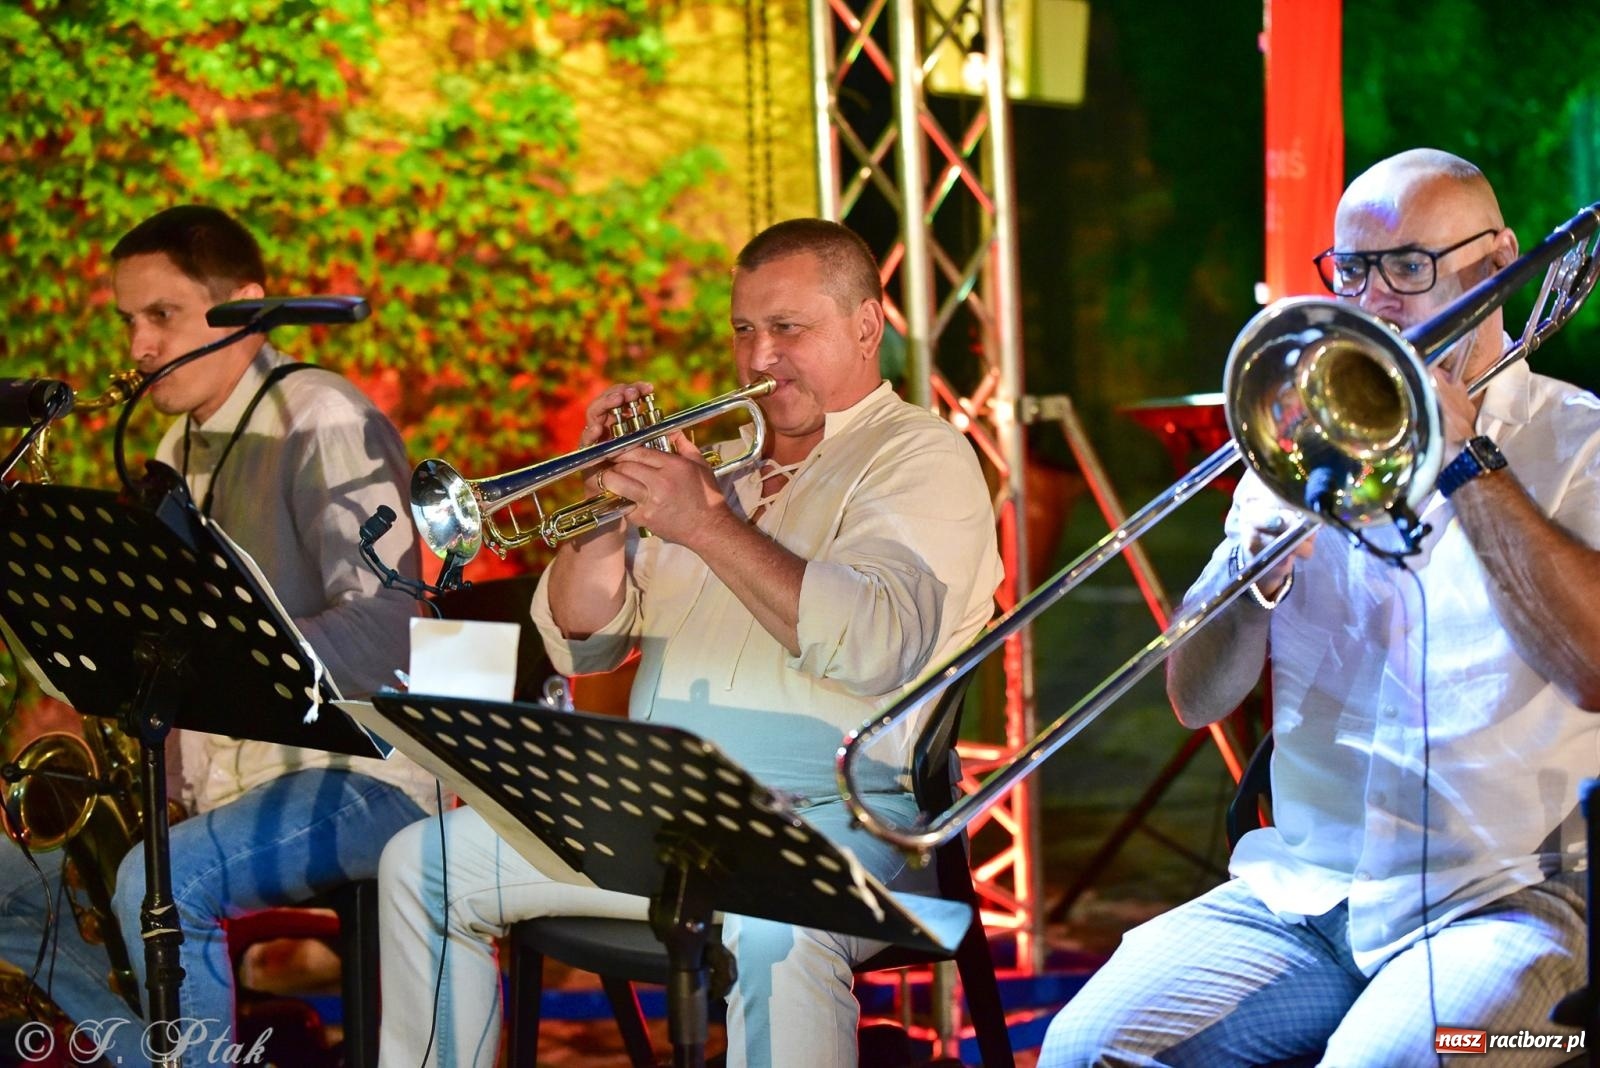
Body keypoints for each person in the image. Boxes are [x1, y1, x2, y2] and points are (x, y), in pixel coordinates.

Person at [375, 217, 1003, 1068]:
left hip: (835, 817)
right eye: (744, 330)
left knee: (779, 927)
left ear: (867, 325)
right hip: (664, 814)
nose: (758, 359)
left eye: (789, 329)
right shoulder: (719, 468)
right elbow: (586, 647)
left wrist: (706, 526)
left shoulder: (919, 457)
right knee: (424, 863)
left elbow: (875, 645)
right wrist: (599, 520)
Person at [1041, 148, 1600, 1067]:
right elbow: (1196, 699)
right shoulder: (1305, 435)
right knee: (1080, 1051)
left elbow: (1591, 669)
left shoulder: (1576, 442)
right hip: (1301, 897)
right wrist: (1250, 577)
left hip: (1501, 904)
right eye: (1352, 271)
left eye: (1409, 268)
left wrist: (1464, 464)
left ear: (1497, 266)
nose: (1372, 304)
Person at [0, 205, 438, 1066]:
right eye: (128, 320)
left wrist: (231, 661)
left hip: (362, 779)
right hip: (227, 791)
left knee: (164, 884)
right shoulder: (176, 437)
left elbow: (393, 630)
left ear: (246, 305)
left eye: (161, 316)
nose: (136, 346)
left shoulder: (325, 418)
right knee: (14, 886)